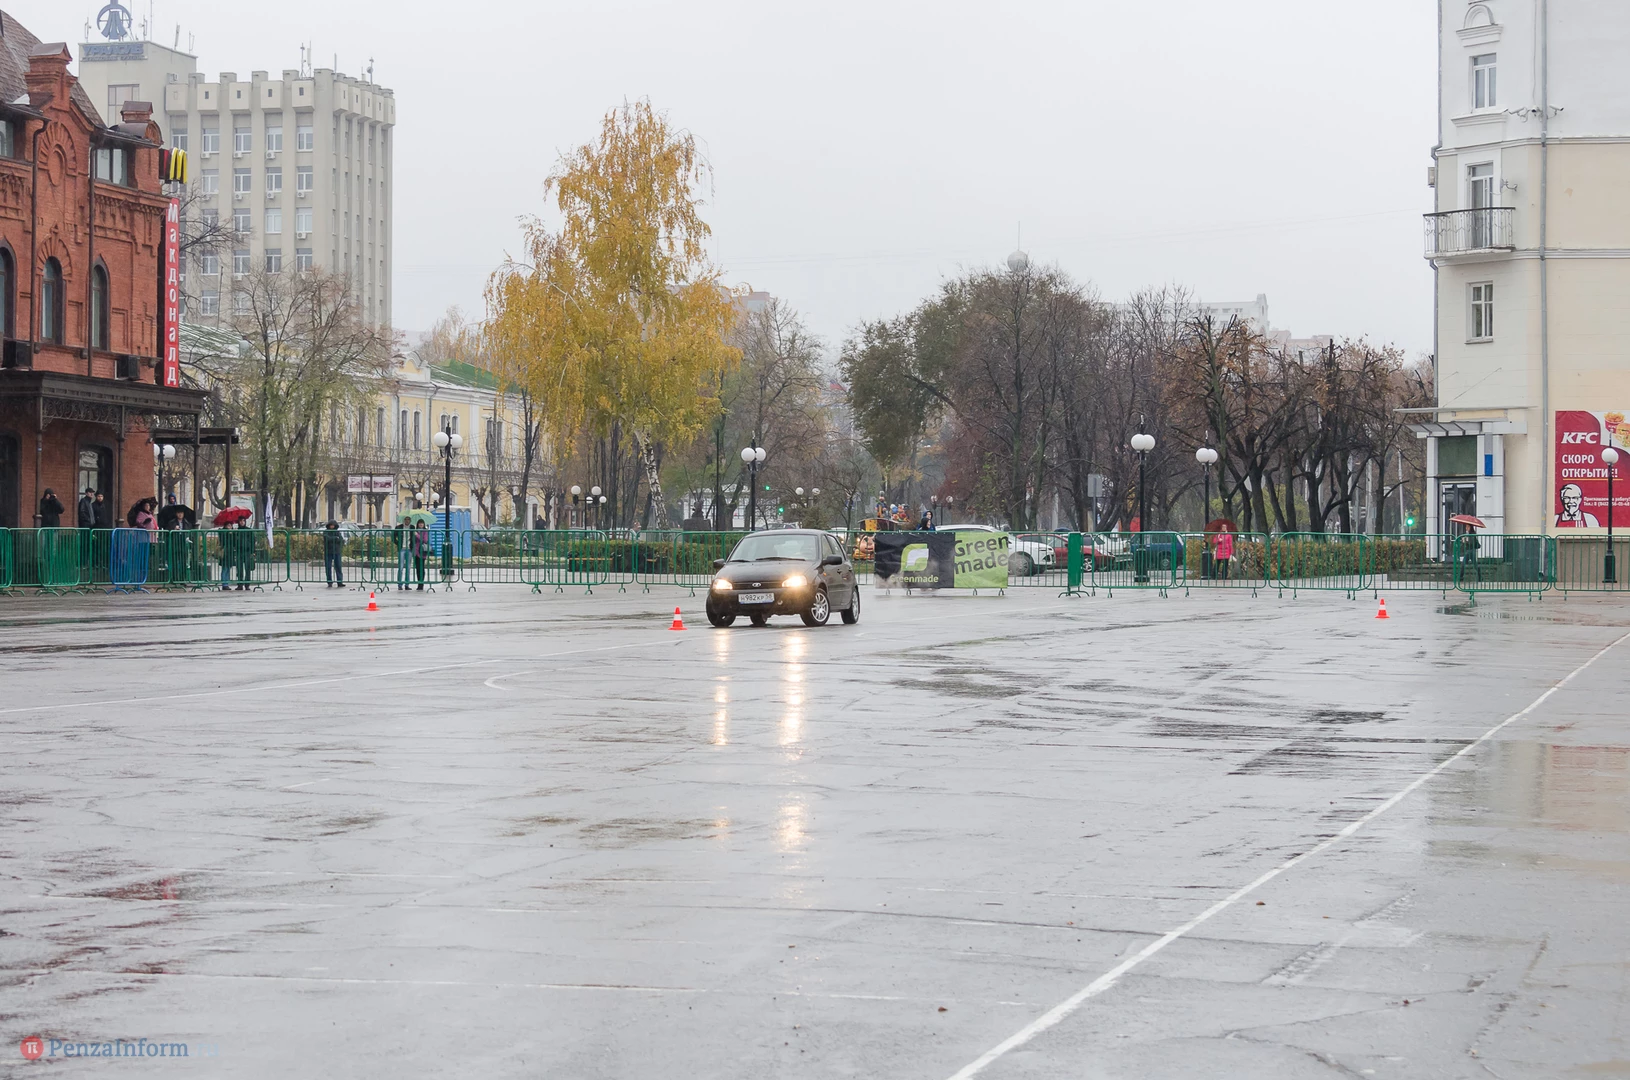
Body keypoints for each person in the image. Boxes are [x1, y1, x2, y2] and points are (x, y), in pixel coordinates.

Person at [322, 521, 346, 587]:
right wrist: (335, 538)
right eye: (331, 525)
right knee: (328, 567)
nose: (332, 526)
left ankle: (339, 581)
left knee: (338, 566)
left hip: (336, 551)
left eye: (333, 525)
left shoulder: (337, 532)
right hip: (328, 551)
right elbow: (327, 539)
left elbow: (341, 540)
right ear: (329, 525)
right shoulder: (326, 532)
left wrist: (334, 539)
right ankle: (329, 582)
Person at [410, 522, 430, 590]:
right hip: (416, 552)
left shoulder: (425, 531)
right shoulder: (415, 531)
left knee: (421, 568)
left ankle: (421, 583)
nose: (421, 524)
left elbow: (425, 540)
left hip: (422, 552)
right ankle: (419, 582)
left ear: (424, 524)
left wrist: (417, 535)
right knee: (417, 568)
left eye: (422, 523)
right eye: (419, 523)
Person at [393, 521, 411, 591]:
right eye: (406, 519)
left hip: (409, 549)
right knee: (400, 567)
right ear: (404, 520)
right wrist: (398, 543)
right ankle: (400, 584)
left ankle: (407, 584)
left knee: (408, 568)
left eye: (408, 519)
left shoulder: (412, 527)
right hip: (402, 549)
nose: (407, 520)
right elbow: (393, 536)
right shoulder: (399, 527)